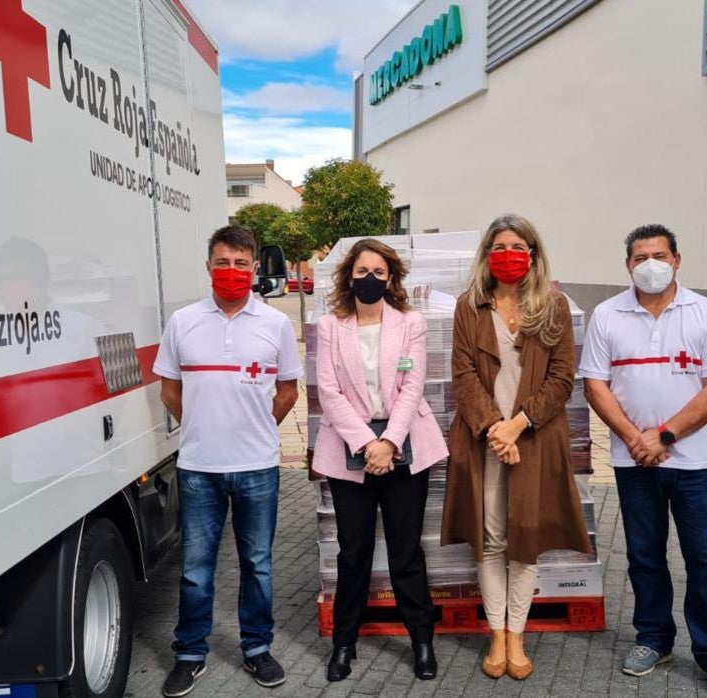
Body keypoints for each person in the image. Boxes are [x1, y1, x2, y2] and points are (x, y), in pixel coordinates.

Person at [577, 224, 707, 698]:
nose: (650, 263)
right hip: (635, 463)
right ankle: (654, 638)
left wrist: (665, 434)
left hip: (697, 465)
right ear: (627, 264)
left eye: (659, 255)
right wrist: (635, 439)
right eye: (640, 256)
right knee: (645, 557)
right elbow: (595, 385)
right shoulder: (608, 315)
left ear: (677, 260)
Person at [152, 225, 303, 697]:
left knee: (257, 564)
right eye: (223, 262)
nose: (232, 272)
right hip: (198, 468)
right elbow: (170, 389)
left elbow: (288, 389)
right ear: (209, 266)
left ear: (255, 268)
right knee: (196, 568)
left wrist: (253, 425)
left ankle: (257, 649)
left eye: (241, 264)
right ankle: (190, 654)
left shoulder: (275, 324)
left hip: (257, 466)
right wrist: (202, 424)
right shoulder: (183, 322)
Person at [441, 213, 592, 681]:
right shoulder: (471, 306)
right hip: (483, 438)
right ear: (487, 254)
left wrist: (518, 425)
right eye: (499, 247)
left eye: (517, 247)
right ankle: (497, 633)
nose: (508, 255)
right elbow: (463, 376)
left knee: (524, 538)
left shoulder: (553, 306)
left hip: (535, 439)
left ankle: (518, 632)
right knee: (491, 540)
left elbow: (563, 377)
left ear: (533, 254)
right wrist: (494, 429)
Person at [312, 238, 449, 682]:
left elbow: (413, 387)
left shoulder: (410, 323)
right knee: (354, 551)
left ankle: (421, 642)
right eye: (361, 271)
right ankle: (344, 643)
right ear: (348, 275)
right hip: (350, 446)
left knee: (406, 549)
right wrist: (365, 444)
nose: (369, 279)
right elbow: (328, 392)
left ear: (391, 279)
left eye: (378, 273)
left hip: (404, 444)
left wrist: (388, 442)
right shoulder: (331, 326)